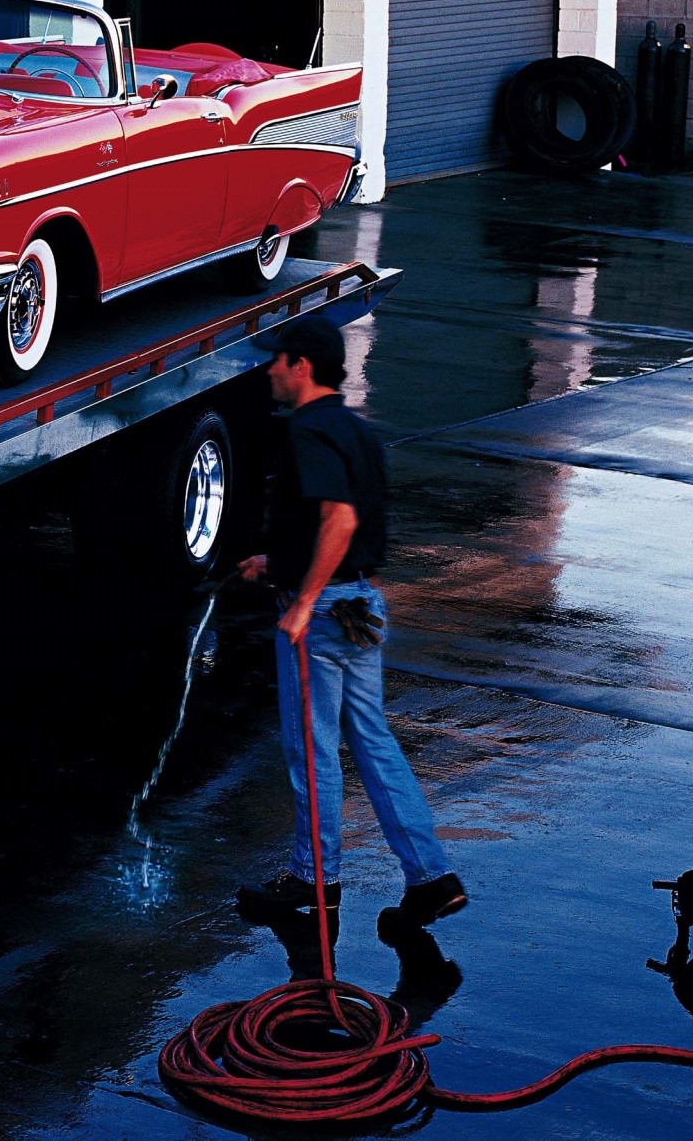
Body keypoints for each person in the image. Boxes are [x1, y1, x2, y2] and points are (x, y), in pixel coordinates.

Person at [235, 314, 467, 927]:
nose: (270, 369)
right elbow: (337, 524)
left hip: (327, 613)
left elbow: (339, 519)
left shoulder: (307, 430)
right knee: (373, 742)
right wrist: (277, 560)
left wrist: (304, 601)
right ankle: (432, 878)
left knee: (311, 751)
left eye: (278, 359)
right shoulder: (357, 431)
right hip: (362, 603)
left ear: (302, 366)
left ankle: (313, 884)